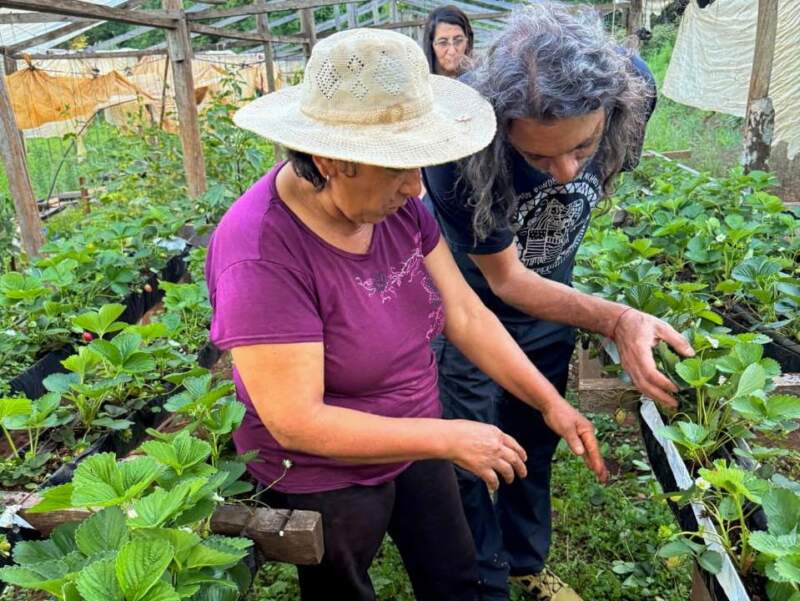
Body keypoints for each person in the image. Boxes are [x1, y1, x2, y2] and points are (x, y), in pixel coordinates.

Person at [206, 28, 607, 601]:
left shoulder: (397, 211)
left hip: (416, 432)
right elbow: (296, 420)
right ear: (332, 160)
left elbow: (464, 313)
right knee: (344, 587)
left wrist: (549, 403)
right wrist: (447, 437)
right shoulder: (261, 253)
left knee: (454, 573)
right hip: (323, 468)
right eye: (398, 167)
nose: (416, 186)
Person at [422, 4, 696, 601]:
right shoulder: (457, 144)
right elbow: (508, 282)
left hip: (554, 293)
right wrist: (617, 317)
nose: (566, 171)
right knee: (471, 444)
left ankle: (525, 562)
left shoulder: (633, 85)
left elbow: (608, 163)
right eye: (539, 158)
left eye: (583, 147)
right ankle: (483, 578)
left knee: (537, 430)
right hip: (471, 303)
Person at [422, 5, 474, 77]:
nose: (452, 51)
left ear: (467, 41)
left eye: (458, 41)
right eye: (443, 43)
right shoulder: (420, 82)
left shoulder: (481, 80)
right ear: (431, 45)